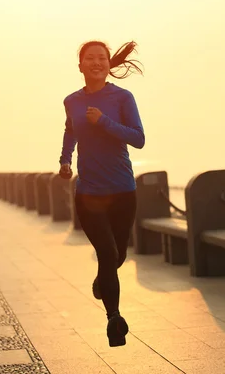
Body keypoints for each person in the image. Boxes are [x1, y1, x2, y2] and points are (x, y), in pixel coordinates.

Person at [59, 40, 145, 347]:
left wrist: (104, 121)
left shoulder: (123, 97)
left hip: (123, 191)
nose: (96, 62)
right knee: (107, 253)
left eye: (101, 58)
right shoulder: (71, 101)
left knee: (117, 255)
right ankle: (114, 319)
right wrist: (65, 160)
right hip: (89, 194)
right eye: (89, 58)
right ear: (80, 65)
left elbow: (138, 139)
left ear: (109, 64)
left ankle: (101, 281)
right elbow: (70, 130)